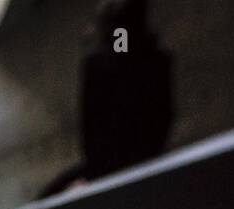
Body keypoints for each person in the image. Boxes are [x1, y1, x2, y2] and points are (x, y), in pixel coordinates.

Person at [39, 0, 172, 197]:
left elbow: (91, 127)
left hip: (113, 166)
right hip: (138, 161)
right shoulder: (155, 60)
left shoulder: (102, 63)